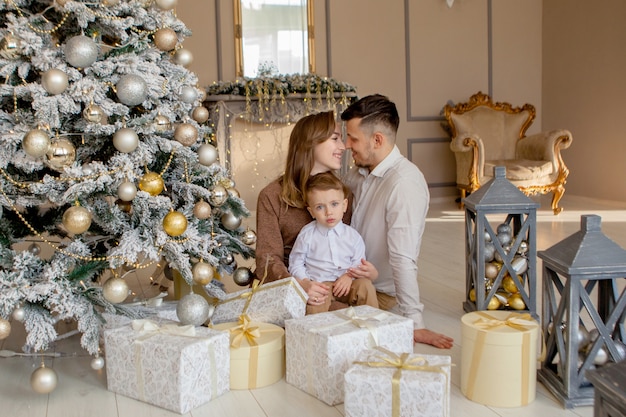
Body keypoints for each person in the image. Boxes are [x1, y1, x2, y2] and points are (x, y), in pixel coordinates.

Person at [341, 94, 454, 349]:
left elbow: (403, 258)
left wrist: (415, 323)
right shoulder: (358, 173)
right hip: (346, 276)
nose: (347, 145)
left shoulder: (404, 184)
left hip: (374, 291)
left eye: (353, 138)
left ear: (377, 140)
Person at [255, 110, 378, 309]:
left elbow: (346, 246)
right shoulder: (272, 195)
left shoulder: (342, 194)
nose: (343, 146)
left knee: (349, 312)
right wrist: (300, 285)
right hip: (291, 288)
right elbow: (267, 259)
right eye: (335, 139)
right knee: (330, 317)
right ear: (311, 143)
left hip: (337, 287)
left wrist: (357, 275)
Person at [288, 172, 378, 314]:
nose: (329, 212)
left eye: (334, 204)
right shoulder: (307, 235)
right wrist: (306, 283)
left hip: (347, 283)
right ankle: (316, 334)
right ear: (311, 211)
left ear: (344, 205)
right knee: (314, 305)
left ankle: (375, 327)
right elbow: (296, 263)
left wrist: (349, 276)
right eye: (320, 207)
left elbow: (359, 263)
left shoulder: (353, 236)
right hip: (320, 285)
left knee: (365, 285)